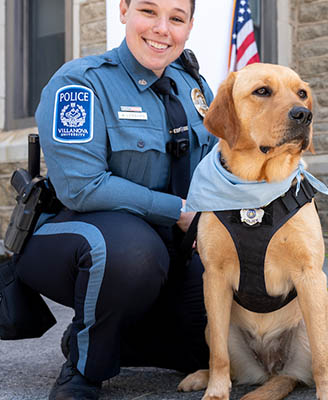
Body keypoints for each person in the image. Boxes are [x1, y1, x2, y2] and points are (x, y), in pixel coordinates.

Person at [14, 1, 216, 399]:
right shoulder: (81, 82)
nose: (162, 29)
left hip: (170, 244)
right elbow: (83, 187)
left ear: (189, 27)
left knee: (209, 343)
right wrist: (178, 211)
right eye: (148, 11)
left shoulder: (194, 86)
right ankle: (83, 368)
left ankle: (123, 338)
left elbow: (214, 167)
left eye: (176, 18)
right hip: (78, 237)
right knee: (132, 253)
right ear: (123, 10)